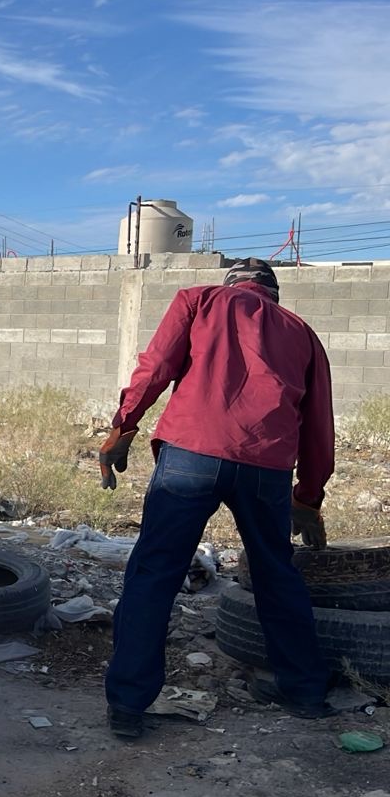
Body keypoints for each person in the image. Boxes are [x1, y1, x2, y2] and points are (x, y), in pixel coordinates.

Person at [99, 257, 335, 739]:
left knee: (154, 572)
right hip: (265, 468)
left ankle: (127, 705)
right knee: (275, 572)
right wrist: (308, 497)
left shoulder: (198, 299)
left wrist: (123, 426)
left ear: (231, 283)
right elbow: (318, 425)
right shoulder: (302, 332)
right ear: (273, 292)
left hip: (191, 455)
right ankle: (306, 692)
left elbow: (156, 366)